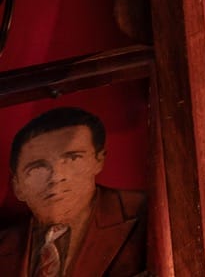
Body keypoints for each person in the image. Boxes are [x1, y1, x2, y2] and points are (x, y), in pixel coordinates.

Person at [0, 107, 145, 277]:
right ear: (18, 187)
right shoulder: (4, 245)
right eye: (37, 168)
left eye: (72, 159)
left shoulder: (147, 212)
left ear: (98, 161)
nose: (56, 177)